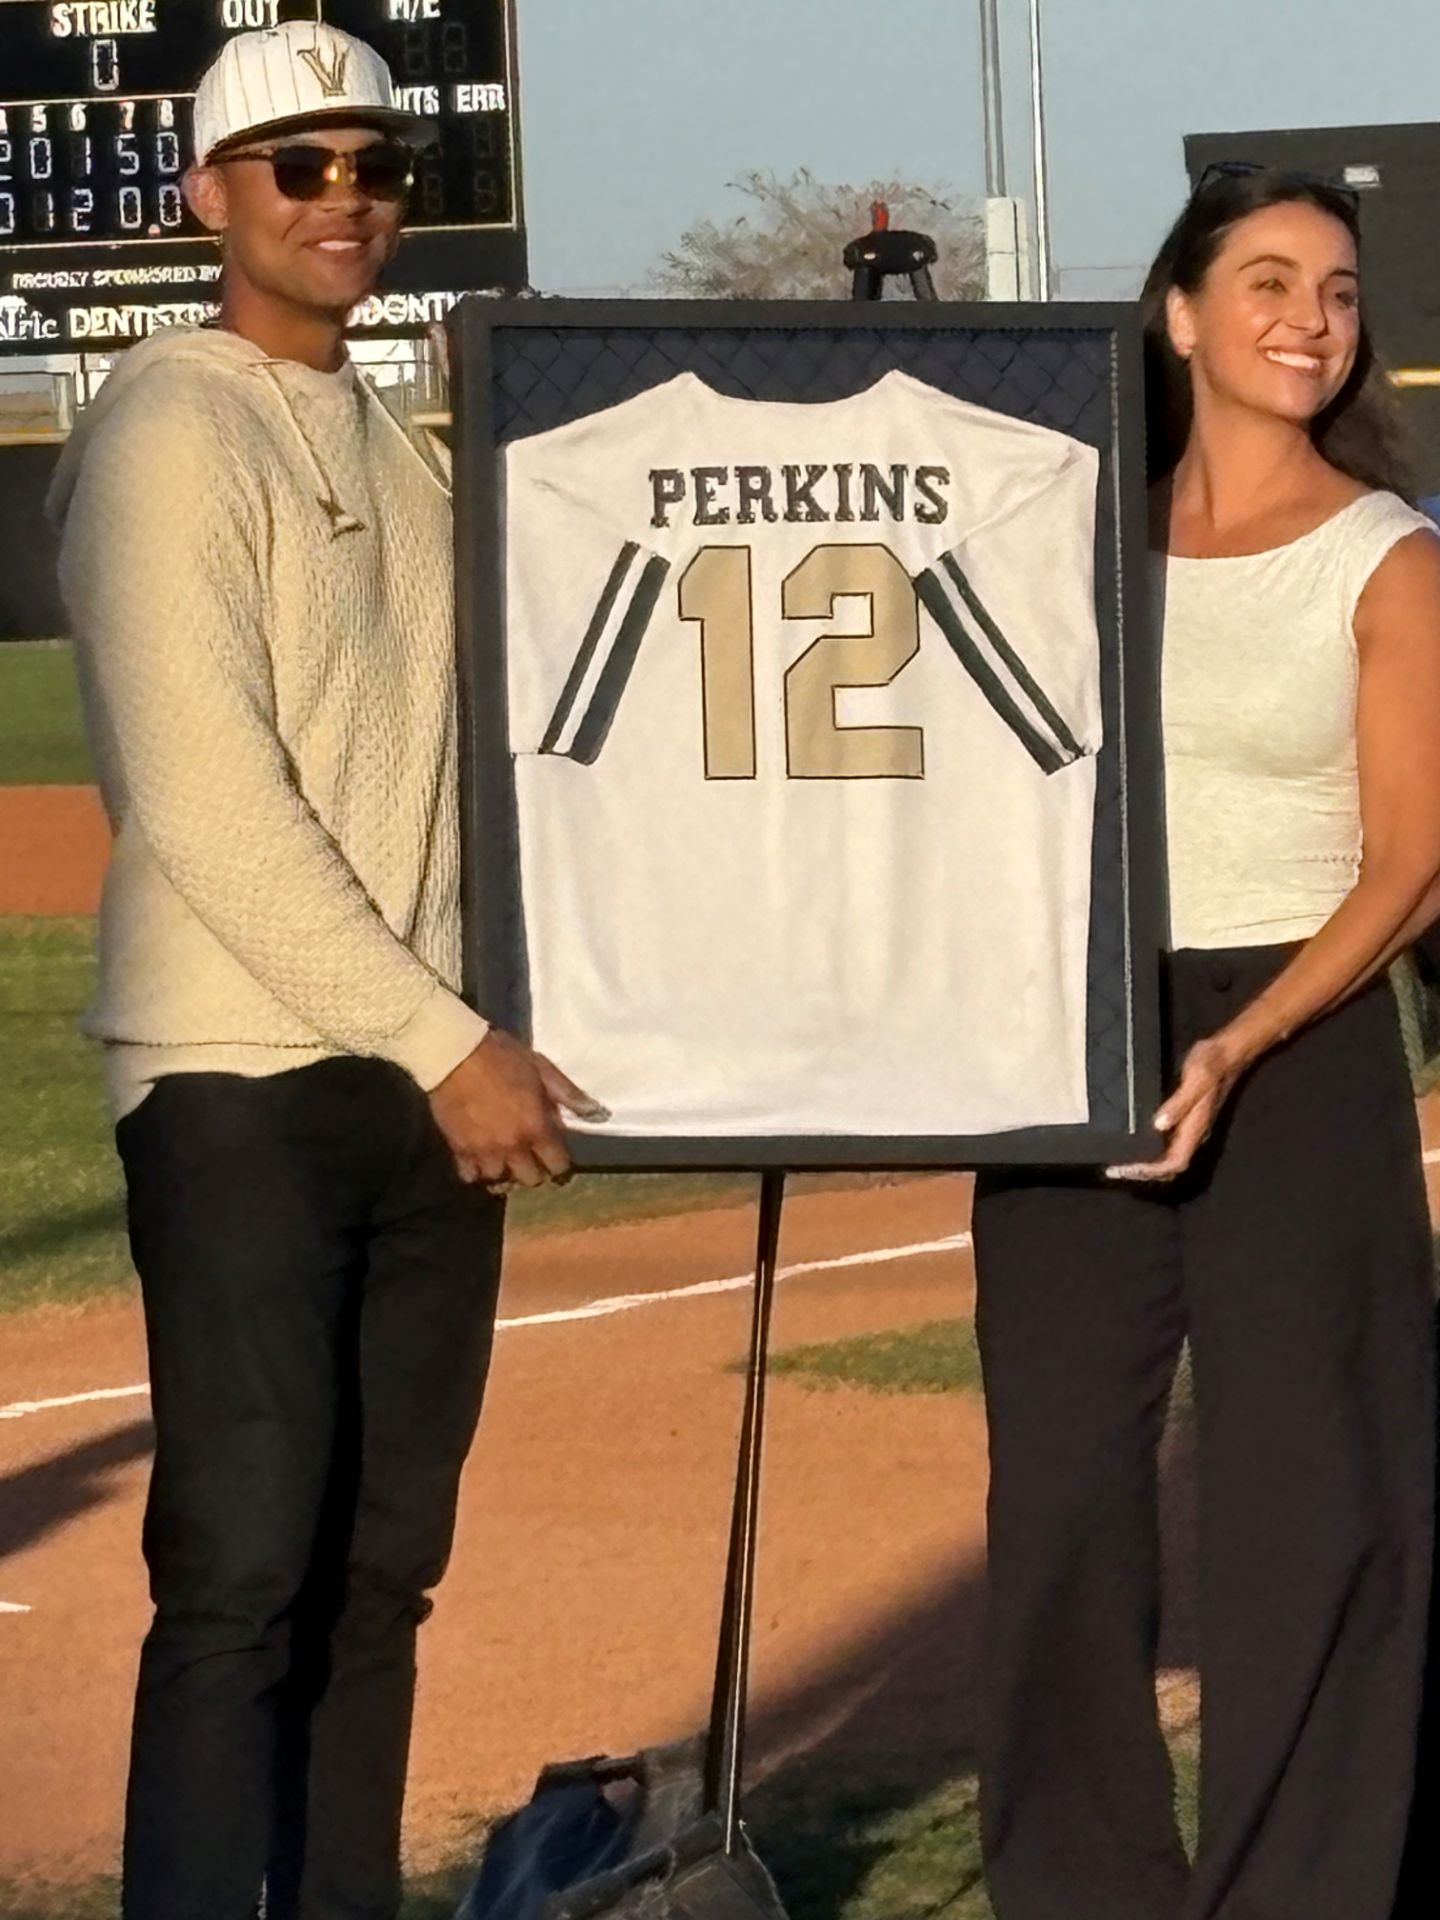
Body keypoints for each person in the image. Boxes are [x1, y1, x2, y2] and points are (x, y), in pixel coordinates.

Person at [47, 22, 600, 1919]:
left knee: (379, 1573)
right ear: (212, 197)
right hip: (240, 1074)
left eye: (376, 165)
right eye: (301, 166)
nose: (347, 197)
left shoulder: (399, 434)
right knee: (240, 1581)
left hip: (415, 1075)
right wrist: (447, 1039)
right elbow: (207, 802)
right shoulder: (162, 425)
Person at [971, 165, 1440, 1920]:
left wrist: (1238, 1048)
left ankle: (1298, 1893)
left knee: (1312, 1514)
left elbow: (1410, 867)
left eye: (1334, 290)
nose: (1308, 319)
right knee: (1063, 1518)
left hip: (1297, 1046)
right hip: (1075, 1032)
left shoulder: (1389, 558)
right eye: (1266, 282)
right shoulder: (1067, 544)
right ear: (1177, 313)